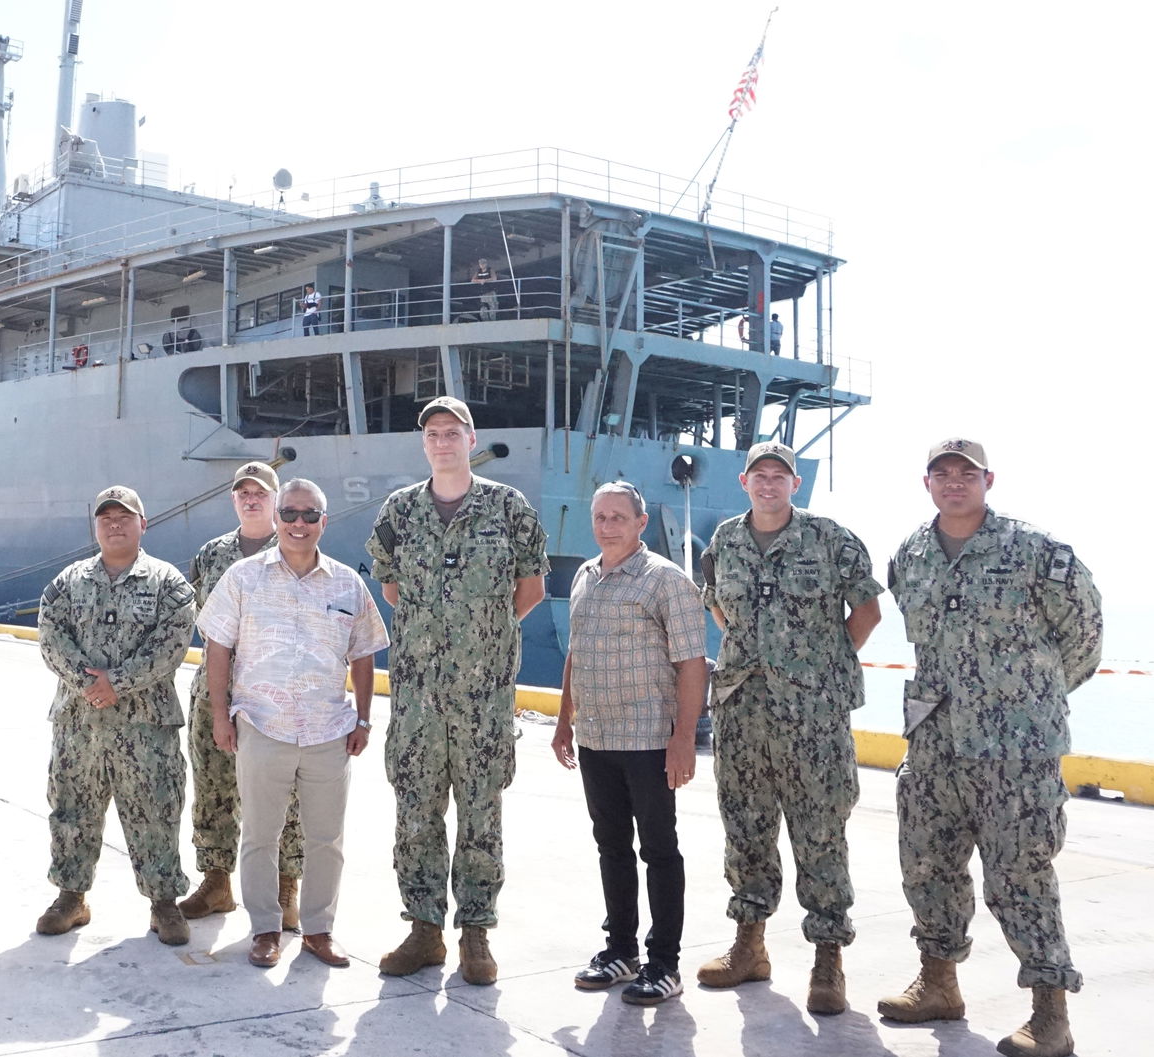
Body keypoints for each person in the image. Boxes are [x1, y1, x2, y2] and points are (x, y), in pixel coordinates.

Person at [878, 439, 1102, 1057]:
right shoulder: (911, 555)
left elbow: (1083, 634)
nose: (955, 482)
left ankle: (1050, 1013)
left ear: (988, 480)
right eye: (942, 473)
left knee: (1020, 874)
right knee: (927, 863)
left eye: (966, 473)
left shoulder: (1036, 550)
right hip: (932, 741)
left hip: (1015, 748)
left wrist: (1030, 699)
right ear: (926, 483)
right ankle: (939, 984)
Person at [366, 395, 549, 986]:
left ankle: (475, 933)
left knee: (480, 815)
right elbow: (391, 590)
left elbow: (531, 588)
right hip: (418, 698)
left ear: (471, 440)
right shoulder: (398, 512)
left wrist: (481, 642)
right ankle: (424, 930)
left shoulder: (508, 507)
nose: (443, 441)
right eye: (433, 433)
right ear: (424, 444)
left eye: (453, 432)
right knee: (416, 814)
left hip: (483, 699)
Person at [697, 440, 882, 1014]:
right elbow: (715, 604)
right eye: (760, 475)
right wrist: (749, 651)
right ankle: (749, 944)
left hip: (813, 715)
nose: (769, 483)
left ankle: (828, 958)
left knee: (820, 829)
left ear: (794, 485)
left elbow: (868, 609)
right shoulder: (725, 540)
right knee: (745, 825)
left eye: (780, 475)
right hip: (742, 708)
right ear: (744, 482)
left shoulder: (830, 539)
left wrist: (823, 663)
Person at [198, 479, 389, 969]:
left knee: (327, 838)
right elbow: (218, 647)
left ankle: (319, 930)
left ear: (324, 522)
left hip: (329, 728)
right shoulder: (242, 577)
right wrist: (221, 715)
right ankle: (265, 929)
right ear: (277, 519)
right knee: (260, 835)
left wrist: (364, 717)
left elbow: (364, 653)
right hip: (262, 724)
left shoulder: (348, 582)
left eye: (309, 515)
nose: (298, 524)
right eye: (290, 514)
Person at [553, 482, 707, 1006]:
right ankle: (620, 952)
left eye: (619, 516)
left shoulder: (666, 580)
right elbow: (576, 652)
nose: (608, 524)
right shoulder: (583, 576)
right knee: (611, 846)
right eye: (600, 516)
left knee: (659, 850)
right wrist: (563, 720)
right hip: (596, 737)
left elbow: (692, 664)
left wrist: (683, 739)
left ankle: (664, 962)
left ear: (641, 522)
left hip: (647, 739)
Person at [34, 485, 197, 946]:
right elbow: (50, 637)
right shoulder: (67, 582)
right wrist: (90, 685)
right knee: (71, 810)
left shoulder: (169, 583)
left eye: (124, 516)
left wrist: (117, 683)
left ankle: (164, 903)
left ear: (142, 524)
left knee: (156, 812)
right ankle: (71, 897)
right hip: (78, 723)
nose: (115, 524)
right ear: (96, 526)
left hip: (146, 725)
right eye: (106, 517)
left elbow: (172, 645)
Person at [180, 462, 307, 930]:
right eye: (243, 493)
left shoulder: (297, 546)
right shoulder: (212, 554)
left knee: (284, 792)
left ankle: (285, 886)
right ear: (234, 499)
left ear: (276, 499)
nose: (252, 499)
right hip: (215, 687)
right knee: (212, 784)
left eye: (260, 492)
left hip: (277, 691)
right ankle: (216, 882)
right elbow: (204, 620)